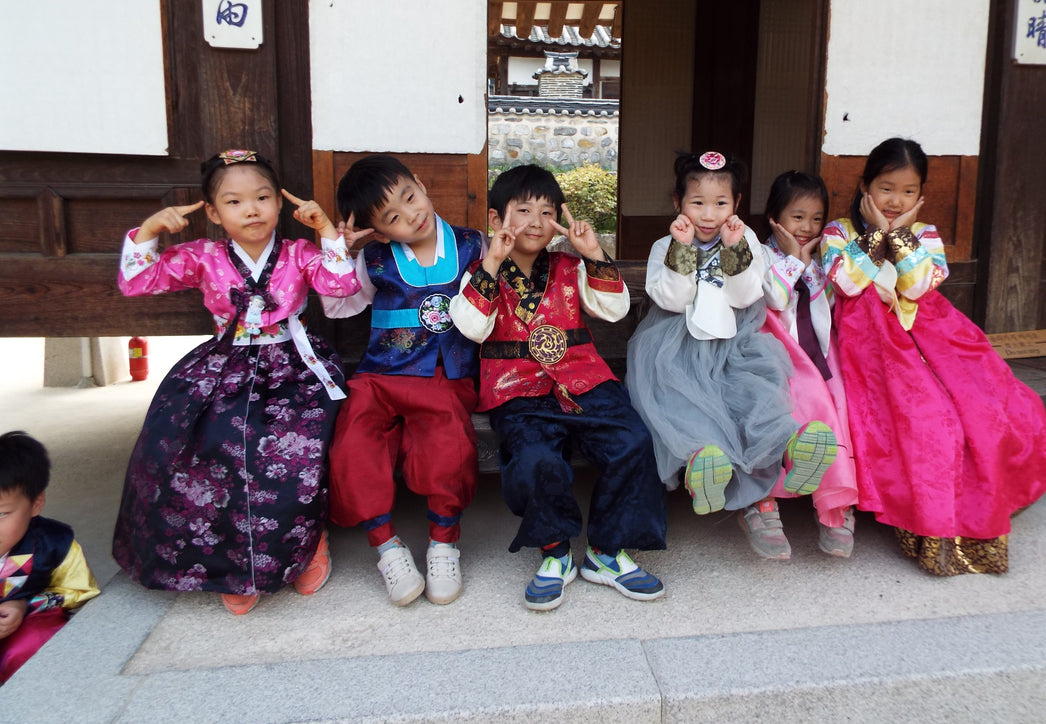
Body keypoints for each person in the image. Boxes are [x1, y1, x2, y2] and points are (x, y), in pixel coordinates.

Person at [113, 150, 360, 615]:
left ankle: (308, 543)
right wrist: (149, 231)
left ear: (279, 204)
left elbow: (341, 286)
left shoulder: (297, 253)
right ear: (212, 212)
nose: (251, 209)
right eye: (234, 201)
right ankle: (232, 564)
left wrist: (326, 231)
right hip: (225, 365)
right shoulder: (202, 256)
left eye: (263, 197)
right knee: (202, 441)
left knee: (295, 445)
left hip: (294, 364)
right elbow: (138, 282)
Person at [821, 137, 1046, 575]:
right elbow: (846, 284)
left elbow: (917, 287)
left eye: (908, 191)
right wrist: (877, 235)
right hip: (870, 342)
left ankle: (976, 515)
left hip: (933, 336)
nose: (896, 200)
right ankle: (931, 526)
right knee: (935, 421)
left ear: (921, 195)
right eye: (886, 188)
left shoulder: (926, 235)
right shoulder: (839, 231)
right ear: (864, 186)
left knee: (999, 408)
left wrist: (900, 237)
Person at [451, 164, 666, 611]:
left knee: (632, 441)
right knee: (534, 458)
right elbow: (471, 327)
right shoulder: (481, 270)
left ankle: (606, 552)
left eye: (546, 212)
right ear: (496, 220)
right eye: (523, 209)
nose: (534, 221)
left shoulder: (571, 265)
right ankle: (555, 551)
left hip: (583, 380)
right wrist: (492, 262)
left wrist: (593, 253)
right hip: (517, 390)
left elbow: (612, 309)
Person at [626, 151, 837, 561]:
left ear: (736, 205)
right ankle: (705, 462)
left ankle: (794, 444)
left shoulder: (748, 243)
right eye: (697, 203)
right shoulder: (663, 246)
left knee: (755, 395)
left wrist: (736, 250)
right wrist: (683, 250)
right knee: (686, 403)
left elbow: (746, 295)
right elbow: (672, 298)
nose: (709, 214)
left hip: (737, 344)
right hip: (676, 346)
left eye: (721, 203)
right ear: (677, 203)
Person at [321, 155, 486, 607]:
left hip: (444, 374)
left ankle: (443, 543)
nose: (410, 215)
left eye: (409, 197)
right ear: (379, 231)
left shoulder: (475, 245)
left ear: (420, 182)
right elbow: (339, 307)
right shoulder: (373, 258)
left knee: (448, 442)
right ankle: (387, 547)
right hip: (378, 375)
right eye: (392, 217)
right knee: (353, 437)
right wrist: (340, 252)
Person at [760, 170, 859, 557]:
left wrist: (809, 261)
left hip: (819, 353)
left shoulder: (822, 260)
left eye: (816, 219)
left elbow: (829, 307)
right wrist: (795, 260)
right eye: (797, 216)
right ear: (775, 216)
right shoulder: (759, 253)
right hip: (776, 352)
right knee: (800, 403)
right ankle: (766, 502)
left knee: (839, 403)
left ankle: (835, 506)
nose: (807, 227)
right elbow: (775, 300)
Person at [0, 431, 99, 685]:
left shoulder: (54, 543)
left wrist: (25, 605)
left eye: (1, 514)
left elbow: (81, 590)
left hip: (18, 638)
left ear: (36, 503)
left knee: (35, 642)